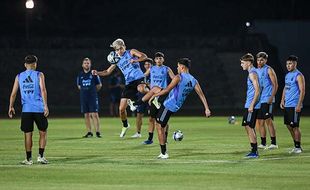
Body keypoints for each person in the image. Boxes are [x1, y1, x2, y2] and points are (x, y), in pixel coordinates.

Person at [149, 58, 211, 159]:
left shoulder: (179, 77)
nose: (177, 68)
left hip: (169, 105)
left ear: (182, 67)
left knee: (159, 126)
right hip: (176, 106)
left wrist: (154, 95)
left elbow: (167, 90)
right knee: (162, 125)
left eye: (178, 66)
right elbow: (201, 95)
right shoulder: (193, 80)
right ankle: (164, 146)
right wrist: (206, 108)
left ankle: (164, 153)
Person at [92, 38, 148, 138]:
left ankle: (153, 96)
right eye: (117, 50)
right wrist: (97, 73)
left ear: (124, 47)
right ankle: (125, 125)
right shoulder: (116, 59)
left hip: (139, 78)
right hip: (129, 82)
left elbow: (144, 56)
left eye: (120, 48)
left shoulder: (131, 52)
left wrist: (135, 59)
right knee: (121, 109)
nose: (119, 51)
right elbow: (107, 72)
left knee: (142, 89)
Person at [8, 55, 49, 165]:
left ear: (25, 64)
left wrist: (10, 106)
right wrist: (46, 106)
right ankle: (40, 156)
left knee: (27, 134)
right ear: (35, 64)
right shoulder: (39, 74)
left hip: (26, 110)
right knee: (43, 132)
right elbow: (43, 90)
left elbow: (13, 93)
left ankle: (28, 159)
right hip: (39, 109)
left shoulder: (19, 76)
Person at [134, 52, 175, 144]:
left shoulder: (166, 69)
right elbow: (143, 76)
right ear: (155, 60)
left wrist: (172, 89)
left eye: (160, 58)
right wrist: (141, 83)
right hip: (153, 97)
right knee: (152, 118)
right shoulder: (151, 68)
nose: (158, 60)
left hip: (162, 95)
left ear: (163, 60)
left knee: (163, 119)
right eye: (157, 58)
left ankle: (165, 138)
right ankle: (150, 139)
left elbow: (174, 79)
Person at [280, 55, 305, 154]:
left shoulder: (298, 75)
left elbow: (302, 91)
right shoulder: (287, 75)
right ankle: (296, 145)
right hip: (287, 104)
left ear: (295, 64)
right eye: (287, 64)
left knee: (295, 126)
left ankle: (298, 147)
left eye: (290, 63)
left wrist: (299, 105)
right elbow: (285, 88)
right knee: (288, 126)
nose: (288, 65)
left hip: (295, 104)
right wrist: (282, 100)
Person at [255, 52, 278, 149]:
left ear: (265, 60)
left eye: (262, 60)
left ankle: (273, 143)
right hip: (259, 100)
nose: (260, 62)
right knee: (259, 122)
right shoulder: (256, 71)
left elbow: (275, 85)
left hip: (267, 99)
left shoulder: (269, 70)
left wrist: (271, 97)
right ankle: (263, 143)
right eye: (258, 60)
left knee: (268, 120)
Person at [240, 53, 261, 158]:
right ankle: (253, 149)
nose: (241, 65)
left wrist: (252, 105)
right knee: (247, 126)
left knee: (249, 126)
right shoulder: (253, 72)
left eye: (243, 63)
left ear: (248, 63)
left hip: (252, 105)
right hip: (249, 104)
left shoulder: (252, 73)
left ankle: (254, 151)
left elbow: (257, 90)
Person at [77, 58, 102, 138]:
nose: (86, 64)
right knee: (86, 114)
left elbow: (99, 85)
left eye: (88, 63)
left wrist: (93, 92)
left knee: (94, 114)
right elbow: (79, 86)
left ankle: (97, 132)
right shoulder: (80, 75)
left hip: (92, 97)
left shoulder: (94, 74)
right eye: (85, 63)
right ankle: (89, 132)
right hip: (84, 97)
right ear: (82, 65)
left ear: (90, 64)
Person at [131, 58, 153, 138]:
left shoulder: (154, 75)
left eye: (149, 64)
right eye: (146, 64)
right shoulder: (141, 75)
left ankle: (151, 134)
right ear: (144, 66)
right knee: (139, 114)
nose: (147, 66)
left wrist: (147, 85)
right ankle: (138, 133)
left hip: (151, 97)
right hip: (142, 97)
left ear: (152, 66)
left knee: (151, 116)